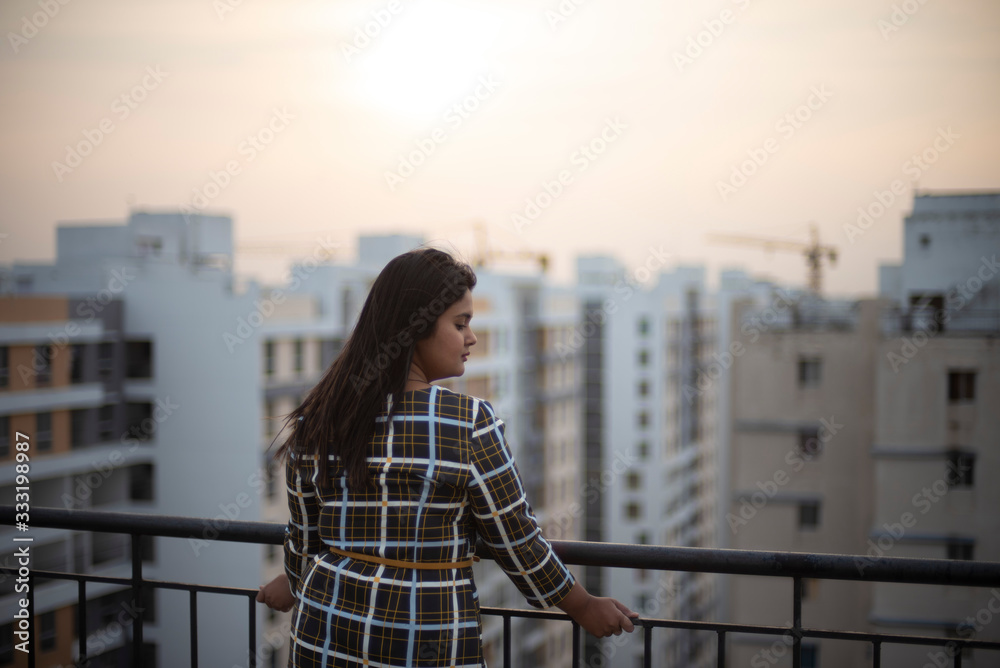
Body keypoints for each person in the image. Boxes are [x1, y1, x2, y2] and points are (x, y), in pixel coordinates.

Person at [260, 248, 637, 667]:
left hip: (324, 633)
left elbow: (305, 538)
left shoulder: (321, 417)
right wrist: (582, 606)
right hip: (423, 639)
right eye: (460, 324)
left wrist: (295, 583)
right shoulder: (469, 422)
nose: (471, 338)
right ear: (416, 327)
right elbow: (515, 537)